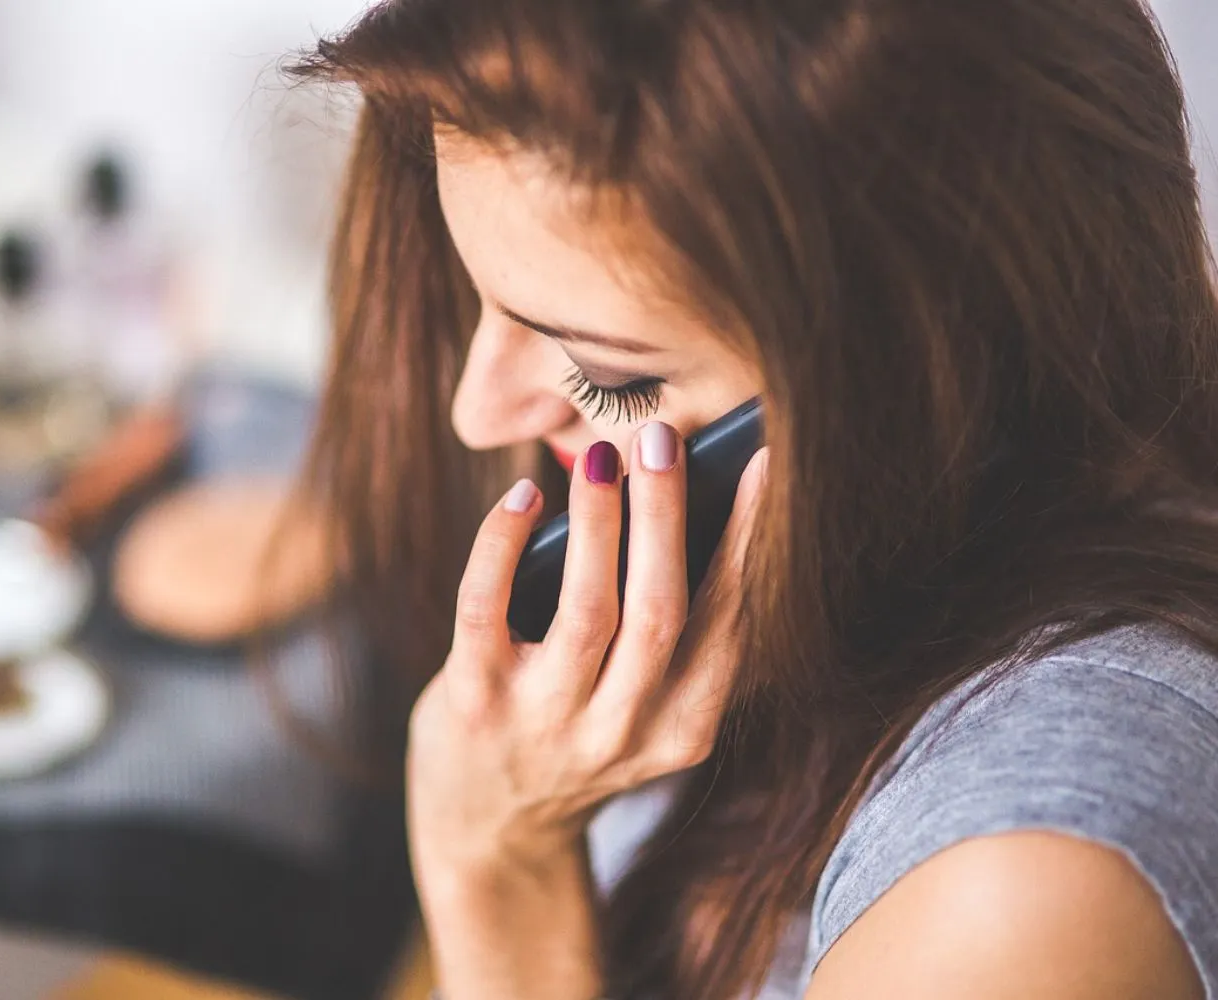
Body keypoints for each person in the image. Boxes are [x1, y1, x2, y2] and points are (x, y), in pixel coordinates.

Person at [278, 0, 1218, 997]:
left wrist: (495, 868)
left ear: (926, 390)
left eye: (607, 377)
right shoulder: (830, 582)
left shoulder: (1024, 899)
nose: (477, 409)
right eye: (485, 301)